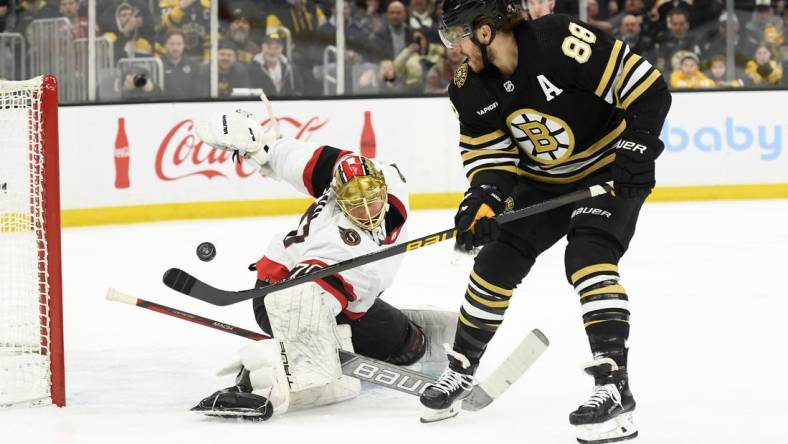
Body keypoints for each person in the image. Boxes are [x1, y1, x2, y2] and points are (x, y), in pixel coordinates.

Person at [419, 2, 671, 444]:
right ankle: (460, 368)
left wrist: (638, 146)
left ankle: (614, 385)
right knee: (494, 264)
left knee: (588, 257)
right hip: (541, 182)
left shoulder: (558, 40)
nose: (453, 47)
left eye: (456, 34)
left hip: (606, 171)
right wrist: (483, 200)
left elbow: (646, 88)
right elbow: (490, 157)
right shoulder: (467, 85)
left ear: (483, 30)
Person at [189, 108, 453, 420]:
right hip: (282, 293)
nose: (367, 209)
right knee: (327, 369)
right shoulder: (339, 242)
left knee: (412, 346)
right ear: (338, 197)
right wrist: (304, 346)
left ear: (382, 185)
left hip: (332, 288)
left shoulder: (386, 176)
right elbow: (303, 298)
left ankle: (328, 341)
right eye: (354, 203)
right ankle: (259, 381)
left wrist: (261, 149)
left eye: (372, 197)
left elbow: (297, 158)